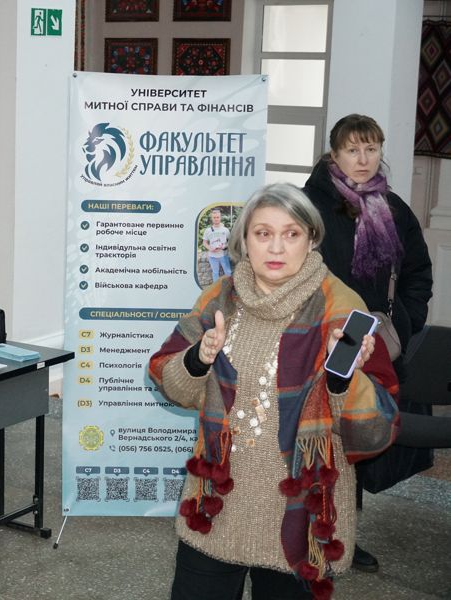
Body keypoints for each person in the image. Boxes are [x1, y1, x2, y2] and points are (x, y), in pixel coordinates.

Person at [148, 184, 400, 600]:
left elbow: (376, 431)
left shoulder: (342, 308)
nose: (276, 247)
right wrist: (198, 358)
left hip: (300, 512)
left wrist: (341, 379)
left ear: (311, 238)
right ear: (244, 241)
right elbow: (168, 378)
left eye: (291, 233)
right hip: (215, 505)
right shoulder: (218, 299)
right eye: (263, 233)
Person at [303, 114, 434, 572]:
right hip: (327, 332)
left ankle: (343, 532)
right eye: (352, 150)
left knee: (357, 432)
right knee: (321, 432)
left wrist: (406, 320)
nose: (363, 159)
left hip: (374, 333)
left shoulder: (392, 208)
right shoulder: (308, 205)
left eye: (371, 149)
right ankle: (309, 528)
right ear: (334, 154)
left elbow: (418, 272)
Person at [202, 208, 232, 282]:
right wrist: (210, 248)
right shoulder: (208, 230)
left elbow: (230, 242)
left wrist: (224, 246)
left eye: (217, 217)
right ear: (212, 218)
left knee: (228, 272)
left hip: (223, 255)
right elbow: (204, 242)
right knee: (215, 273)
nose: (216, 219)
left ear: (220, 217)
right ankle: (216, 287)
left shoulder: (225, 230)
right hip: (212, 256)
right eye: (214, 217)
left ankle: (230, 287)